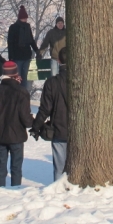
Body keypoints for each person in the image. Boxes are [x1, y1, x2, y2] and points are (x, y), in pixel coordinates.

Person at [0, 61, 34, 186]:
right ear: (15, 73)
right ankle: (16, 190)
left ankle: (0, 189)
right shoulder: (22, 91)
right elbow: (25, 118)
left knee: (0, 167)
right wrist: (33, 123)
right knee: (16, 168)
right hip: (17, 135)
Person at [32, 48, 69, 181]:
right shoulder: (80, 81)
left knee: (59, 168)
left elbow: (45, 109)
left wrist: (36, 127)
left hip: (58, 129)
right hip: (79, 132)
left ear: (58, 61)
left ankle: (58, 194)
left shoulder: (52, 83)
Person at [7, 6, 39, 90]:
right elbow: (10, 43)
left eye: (26, 18)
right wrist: (11, 57)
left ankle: (23, 94)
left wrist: (37, 50)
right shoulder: (13, 27)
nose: (25, 20)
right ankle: (17, 94)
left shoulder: (27, 27)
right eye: (24, 18)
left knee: (25, 77)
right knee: (18, 77)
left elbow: (31, 40)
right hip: (17, 56)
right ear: (20, 18)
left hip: (26, 55)